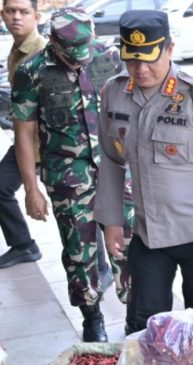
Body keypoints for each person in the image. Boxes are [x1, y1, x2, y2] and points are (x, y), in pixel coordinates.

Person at [95, 10, 193, 333]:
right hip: (148, 234)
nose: (140, 70)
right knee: (144, 327)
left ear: (170, 50)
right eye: (132, 60)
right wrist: (112, 221)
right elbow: (110, 160)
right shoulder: (114, 93)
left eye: (150, 60)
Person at [12, 7, 133, 342]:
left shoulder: (110, 57)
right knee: (79, 252)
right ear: (53, 41)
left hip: (117, 172)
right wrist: (31, 189)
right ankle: (92, 319)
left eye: (83, 53)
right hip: (68, 177)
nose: (79, 61)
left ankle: (136, 316)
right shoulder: (32, 71)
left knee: (129, 244)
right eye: (71, 56)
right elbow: (24, 132)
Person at [0, 0, 44, 269]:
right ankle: (23, 245)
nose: (16, 17)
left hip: (49, 144)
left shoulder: (40, 52)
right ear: (2, 14)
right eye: (11, 11)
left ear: (36, 17)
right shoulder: (17, 50)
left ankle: (100, 268)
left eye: (24, 12)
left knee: (74, 208)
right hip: (26, 141)